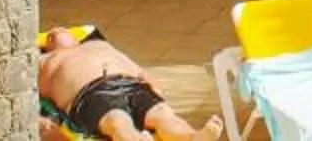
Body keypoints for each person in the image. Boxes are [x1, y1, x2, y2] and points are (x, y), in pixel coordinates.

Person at [38, 27, 221, 141]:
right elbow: (26, 91)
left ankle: (193, 137)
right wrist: (41, 121)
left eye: (58, 30)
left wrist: (151, 83)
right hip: (90, 93)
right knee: (118, 121)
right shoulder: (44, 60)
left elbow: (136, 67)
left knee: (163, 114)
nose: (54, 33)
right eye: (50, 36)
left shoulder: (96, 43)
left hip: (132, 84)